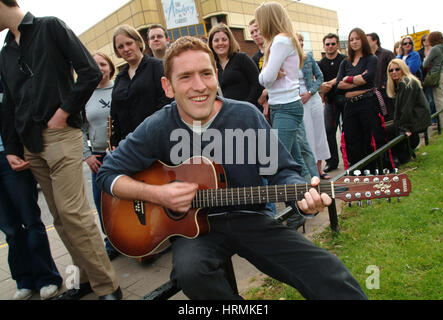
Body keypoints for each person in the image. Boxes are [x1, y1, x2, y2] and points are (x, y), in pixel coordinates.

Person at [96, 36, 368, 300]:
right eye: (185, 77)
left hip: (249, 216)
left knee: (326, 270)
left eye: (205, 73)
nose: (199, 86)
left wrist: (301, 197)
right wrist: (159, 196)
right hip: (195, 232)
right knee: (191, 273)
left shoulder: (244, 115)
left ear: (216, 75)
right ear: (168, 87)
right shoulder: (158, 126)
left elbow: (281, 171)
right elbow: (107, 174)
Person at [0, 1, 121, 300]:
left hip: (61, 135)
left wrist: (65, 111)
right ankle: (86, 280)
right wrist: (12, 147)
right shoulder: (5, 52)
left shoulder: (50, 26)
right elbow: (9, 103)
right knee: (59, 218)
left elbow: (90, 72)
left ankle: (109, 287)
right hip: (31, 146)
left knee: (73, 214)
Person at [1, 81, 63, 300]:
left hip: (11, 155)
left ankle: (47, 277)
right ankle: (24, 280)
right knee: (10, 229)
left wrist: (15, 148)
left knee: (31, 220)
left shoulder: (4, 80)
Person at [256, 2, 319, 183]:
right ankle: (307, 201)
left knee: (277, 160)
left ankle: (302, 201)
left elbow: (265, 79)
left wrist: (269, 74)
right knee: (294, 159)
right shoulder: (282, 40)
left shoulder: (280, 41)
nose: (259, 27)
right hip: (282, 106)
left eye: (260, 21)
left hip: (286, 107)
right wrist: (270, 74)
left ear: (268, 19)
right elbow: (268, 77)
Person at [82, 52, 119, 260]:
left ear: (110, 67)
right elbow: (79, 127)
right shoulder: (85, 94)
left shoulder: (120, 87)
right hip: (97, 156)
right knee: (101, 202)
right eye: (95, 65)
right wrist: (86, 155)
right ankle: (111, 241)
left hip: (121, 153)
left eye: (103, 64)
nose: (100, 68)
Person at [336, 28, 390, 170]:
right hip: (350, 106)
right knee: (352, 141)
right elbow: (338, 85)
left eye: (357, 38)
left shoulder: (371, 59)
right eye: (351, 39)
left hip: (368, 103)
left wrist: (348, 79)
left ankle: (378, 170)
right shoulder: (345, 63)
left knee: (372, 139)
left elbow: (368, 78)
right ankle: (357, 173)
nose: (354, 42)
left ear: (363, 40)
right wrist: (357, 80)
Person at [110, 24, 172, 147]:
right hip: (128, 145)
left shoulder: (157, 66)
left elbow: (167, 103)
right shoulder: (120, 78)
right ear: (117, 52)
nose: (126, 49)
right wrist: (115, 143)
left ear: (138, 42)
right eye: (120, 47)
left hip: (156, 140)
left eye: (129, 43)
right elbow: (115, 114)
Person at [296, 33, 331, 180]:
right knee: (307, 135)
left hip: (313, 98)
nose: (301, 43)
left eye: (302, 40)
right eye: (298, 41)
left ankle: (320, 169)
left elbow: (320, 77)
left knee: (319, 134)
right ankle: (312, 172)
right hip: (298, 101)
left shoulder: (308, 57)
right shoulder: (286, 61)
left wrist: (310, 92)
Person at [386, 59, 431, 164]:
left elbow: (407, 108)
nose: (394, 72)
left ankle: (398, 157)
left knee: (385, 131)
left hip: (416, 120)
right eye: (391, 70)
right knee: (385, 127)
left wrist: (404, 127)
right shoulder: (402, 83)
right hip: (413, 119)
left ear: (403, 69)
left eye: (397, 69)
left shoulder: (407, 83)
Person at [208, 23, 263, 107]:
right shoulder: (211, 66)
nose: (220, 43)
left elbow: (257, 84)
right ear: (211, 44)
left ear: (230, 41)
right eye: (216, 40)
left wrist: (247, 105)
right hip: (226, 113)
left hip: (248, 110)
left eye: (224, 39)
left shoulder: (242, 58)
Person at [318, 33, 347, 174]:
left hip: (346, 100)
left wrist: (331, 82)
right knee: (329, 131)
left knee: (346, 131)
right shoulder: (320, 63)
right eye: (327, 44)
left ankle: (349, 159)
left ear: (338, 45)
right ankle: (332, 162)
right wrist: (322, 87)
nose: (330, 46)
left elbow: (345, 76)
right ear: (324, 46)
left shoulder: (344, 60)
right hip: (331, 102)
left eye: (333, 44)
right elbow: (317, 81)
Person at [367, 32, 396, 120]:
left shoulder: (387, 54)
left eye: (367, 40)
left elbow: (395, 70)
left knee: (391, 116)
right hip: (373, 94)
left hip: (387, 91)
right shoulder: (367, 57)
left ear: (375, 40)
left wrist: (385, 85)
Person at [423, 31, 443, 129]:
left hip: (437, 75)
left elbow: (425, 64)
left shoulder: (434, 49)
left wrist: (426, 57)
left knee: (439, 100)